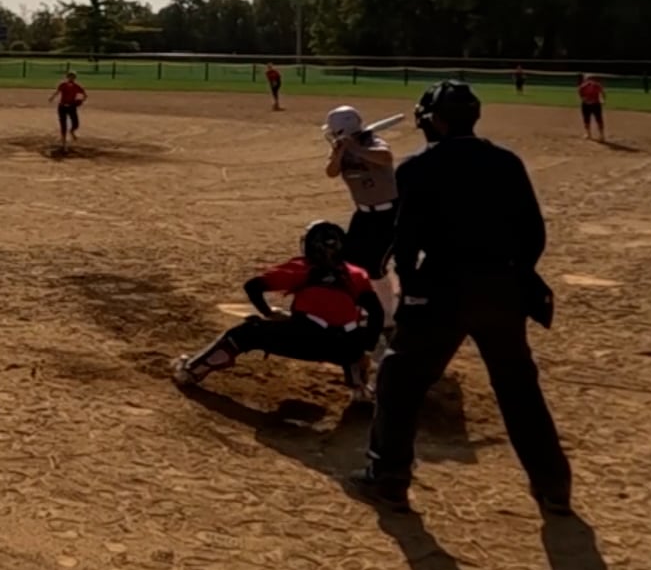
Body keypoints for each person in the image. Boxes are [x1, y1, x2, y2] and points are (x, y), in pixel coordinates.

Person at [351, 80, 572, 518]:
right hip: (503, 288)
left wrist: (411, 288)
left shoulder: (418, 168)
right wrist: (514, 275)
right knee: (518, 386)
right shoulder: (506, 162)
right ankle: (553, 486)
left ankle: (388, 478)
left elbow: (406, 241)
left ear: (435, 121)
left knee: (399, 379)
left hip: (443, 288)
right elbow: (534, 233)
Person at [172, 221, 382, 402]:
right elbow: (377, 313)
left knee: (246, 332)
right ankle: (359, 386)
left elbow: (253, 286)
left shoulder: (302, 268)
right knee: (351, 333)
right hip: (344, 349)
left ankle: (191, 371)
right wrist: (365, 350)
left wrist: (269, 313)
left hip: (303, 339)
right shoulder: (356, 274)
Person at [324, 106, 401, 338]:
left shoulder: (372, 141)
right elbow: (331, 172)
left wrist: (356, 148)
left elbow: (385, 157)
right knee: (350, 261)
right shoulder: (341, 149)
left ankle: (388, 318)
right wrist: (340, 151)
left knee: (374, 265)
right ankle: (369, 305)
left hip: (389, 214)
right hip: (364, 215)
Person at [51, 71, 86, 149]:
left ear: (75, 78)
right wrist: (52, 97)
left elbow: (85, 95)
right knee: (63, 124)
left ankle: (72, 131)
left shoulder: (77, 86)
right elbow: (57, 92)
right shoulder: (62, 85)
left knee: (76, 124)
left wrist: (81, 101)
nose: (71, 78)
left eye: (73, 77)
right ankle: (64, 142)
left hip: (72, 107)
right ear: (67, 77)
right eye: (70, 77)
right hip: (62, 107)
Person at [578, 74, 606, 141]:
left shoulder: (597, 85)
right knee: (586, 119)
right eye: (588, 79)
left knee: (599, 119)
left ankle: (601, 135)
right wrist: (584, 99)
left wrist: (602, 99)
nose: (590, 80)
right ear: (585, 79)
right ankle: (588, 134)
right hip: (586, 105)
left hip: (596, 104)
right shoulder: (582, 87)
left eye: (591, 78)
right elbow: (580, 94)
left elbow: (602, 93)